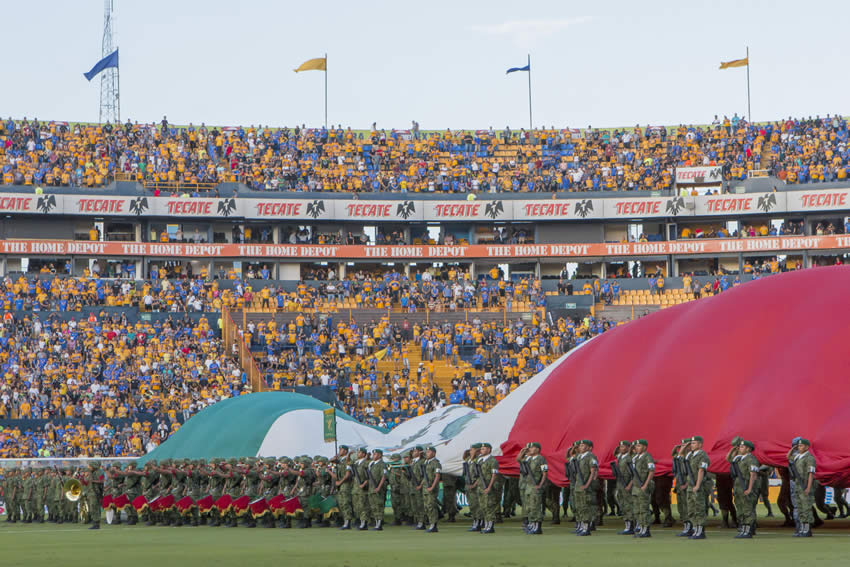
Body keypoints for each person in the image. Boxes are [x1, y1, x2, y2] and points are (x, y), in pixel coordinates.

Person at [728, 439, 760, 538]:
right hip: (739, 488)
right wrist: (733, 449)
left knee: (747, 509)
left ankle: (748, 530)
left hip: (746, 486)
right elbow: (729, 459)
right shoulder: (739, 458)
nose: (740, 449)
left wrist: (749, 488)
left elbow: (753, 475)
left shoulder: (751, 459)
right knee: (740, 508)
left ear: (748, 449)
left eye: (742, 447)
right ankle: (743, 529)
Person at [686, 436, 711, 539]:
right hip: (691, 486)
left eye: (694, 443)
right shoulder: (691, 456)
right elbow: (680, 456)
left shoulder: (703, 456)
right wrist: (685, 447)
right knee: (691, 508)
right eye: (691, 443)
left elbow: (701, 471)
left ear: (700, 445)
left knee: (699, 508)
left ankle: (700, 530)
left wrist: (697, 485)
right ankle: (695, 528)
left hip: (698, 486)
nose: (692, 445)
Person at [629, 439, 655, 538]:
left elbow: (651, 471)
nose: (637, 447)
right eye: (636, 446)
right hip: (636, 487)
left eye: (639, 446)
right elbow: (629, 455)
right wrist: (632, 447)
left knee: (644, 508)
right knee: (637, 509)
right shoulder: (636, 457)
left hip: (643, 486)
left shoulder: (647, 457)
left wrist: (645, 485)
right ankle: (640, 527)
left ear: (644, 447)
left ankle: (646, 529)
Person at [791, 438, 816, 537]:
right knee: (800, 507)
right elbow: (788, 457)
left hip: (805, 485)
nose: (799, 447)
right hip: (798, 486)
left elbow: (811, 473)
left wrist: (808, 487)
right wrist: (793, 449)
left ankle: (807, 529)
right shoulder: (798, 457)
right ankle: (801, 528)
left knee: (806, 507)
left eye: (801, 446)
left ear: (806, 447)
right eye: (798, 446)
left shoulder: (809, 458)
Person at [575, 440, 598, 536]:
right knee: (579, 507)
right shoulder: (579, 457)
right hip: (578, 485)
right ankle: (581, 526)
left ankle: (586, 528)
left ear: (589, 447)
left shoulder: (590, 457)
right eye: (580, 445)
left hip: (585, 486)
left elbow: (593, 472)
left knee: (585, 507)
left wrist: (587, 484)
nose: (581, 447)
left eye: (583, 445)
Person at [524, 442, 548, 535]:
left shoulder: (541, 459)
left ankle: (537, 527)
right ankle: (532, 525)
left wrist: (540, 484)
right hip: (529, 486)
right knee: (529, 507)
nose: (530, 449)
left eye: (532, 448)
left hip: (535, 485)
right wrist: (523, 452)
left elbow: (545, 473)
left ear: (538, 449)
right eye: (529, 448)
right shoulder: (529, 459)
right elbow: (519, 459)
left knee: (536, 507)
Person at [477, 442, 500, 534]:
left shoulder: (492, 461)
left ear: (489, 450)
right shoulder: (480, 460)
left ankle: (490, 526)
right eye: (481, 449)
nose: (481, 450)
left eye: (484, 449)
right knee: (483, 507)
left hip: (488, 486)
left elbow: (494, 475)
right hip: (481, 487)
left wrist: (489, 487)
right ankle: (486, 524)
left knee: (489, 506)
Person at [614, 440, 635, 535]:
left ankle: (631, 525)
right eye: (620, 447)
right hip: (620, 485)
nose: (621, 448)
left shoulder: (629, 458)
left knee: (628, 505)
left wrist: (630, 485)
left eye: (623, 447)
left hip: (627, 484)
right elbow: (615, 453)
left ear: (628, 447)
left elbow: (634, 474)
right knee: (622, 504)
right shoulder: (620, 457)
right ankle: (627, 524)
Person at [330, 445, 354, 529]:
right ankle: (345, 521)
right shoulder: (339, 462)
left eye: (341, 450)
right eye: (339, 449)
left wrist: (340, 482)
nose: (339, 451)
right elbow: (337, 475)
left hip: (345, 485)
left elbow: (347, 474)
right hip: (340, 485)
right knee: (341, 504)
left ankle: (348, 522)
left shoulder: (347, 461)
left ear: (345, 451)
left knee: (345, 503)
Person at [422, 446, 442, 533]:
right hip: (425, 488)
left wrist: (432, 487)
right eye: (426, 452)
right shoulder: (426, 463)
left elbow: (437, 476)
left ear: (434, 453)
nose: (427, 453)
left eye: (429, 452)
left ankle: (433, 525)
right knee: (427, 506)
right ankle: (431, 523)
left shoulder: (436, 463)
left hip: (431, 487)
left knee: (431, 506)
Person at [673, 440, 691, 535]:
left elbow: (692, 473)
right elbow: (674, 454)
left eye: (685, 445)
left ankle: (690, 527)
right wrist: (677, 447)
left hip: (687, 485)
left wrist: (686, 484)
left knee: (688, 507)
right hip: (680, 485)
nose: (683, 447)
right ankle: (686, 526)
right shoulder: (679, 458)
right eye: (682, 445)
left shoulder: (690, 457)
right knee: (681, 507)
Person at [81, 460, 105, 529]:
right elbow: (86, 483)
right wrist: (82, 478)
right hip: (90, 492)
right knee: (92, 508)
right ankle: (95, 522)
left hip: (95, 492)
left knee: (94, 507)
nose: (89, 467)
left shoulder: (99, 472)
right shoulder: (91, 473)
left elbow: (102, 481)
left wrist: (93, 481)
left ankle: (96, 523)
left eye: (90, 466)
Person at [368, 449, 388, 530]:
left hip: (378, 489)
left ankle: (379, 524)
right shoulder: (372, 464)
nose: (374, 456)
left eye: (375, 454)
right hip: (371, 489)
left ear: (380, 455)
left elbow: (383, 476)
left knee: (378, 506)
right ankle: (376, 523)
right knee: (373, 507)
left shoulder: (381, 464)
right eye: (373, 454)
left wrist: (379, 487)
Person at [464, 444, 482, 532]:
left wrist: (475, 484)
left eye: (472, 450)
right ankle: (475, 521)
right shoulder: (468, 460)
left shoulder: (479, 460)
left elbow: (481, 475)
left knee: (477, 505)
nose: (470, 451)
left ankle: (479, 522)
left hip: (476, 486)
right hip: (468, 485)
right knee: (472, 505)